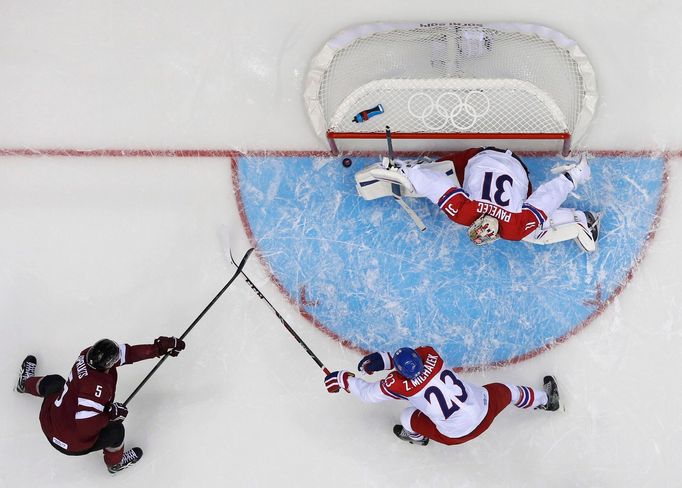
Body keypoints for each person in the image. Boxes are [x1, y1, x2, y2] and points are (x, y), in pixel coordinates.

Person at [363, 147, 600, 251]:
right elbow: (434, 185)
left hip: (513, 166)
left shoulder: (513, 228)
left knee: (534, 227)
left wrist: (573, 176)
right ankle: (411, 169)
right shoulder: (464, 213)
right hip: (479, 155)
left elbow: (546, 199)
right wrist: (407, 173)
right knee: (434, 186)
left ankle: (579, 220)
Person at [324, 346, 560, 446]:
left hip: (456, 434)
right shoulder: (431, 355)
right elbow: (416, 354)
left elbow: (367, 394)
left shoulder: (398, 384)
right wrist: (385, 359)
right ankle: (545, 401)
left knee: (408, 416)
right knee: (509, 391)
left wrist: (344, 379)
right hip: (483, 408)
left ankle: (417, 438)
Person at [16, 336, 185, 473]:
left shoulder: (86, 355)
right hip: (72, 442)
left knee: (55, 383)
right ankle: (115, 464)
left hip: (51, 420)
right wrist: (109, 415)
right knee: (116, 431)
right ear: (108, 364)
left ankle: (24, 384)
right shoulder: (97, 388)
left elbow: (127, 354)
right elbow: (85, 427)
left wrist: (159, 348)